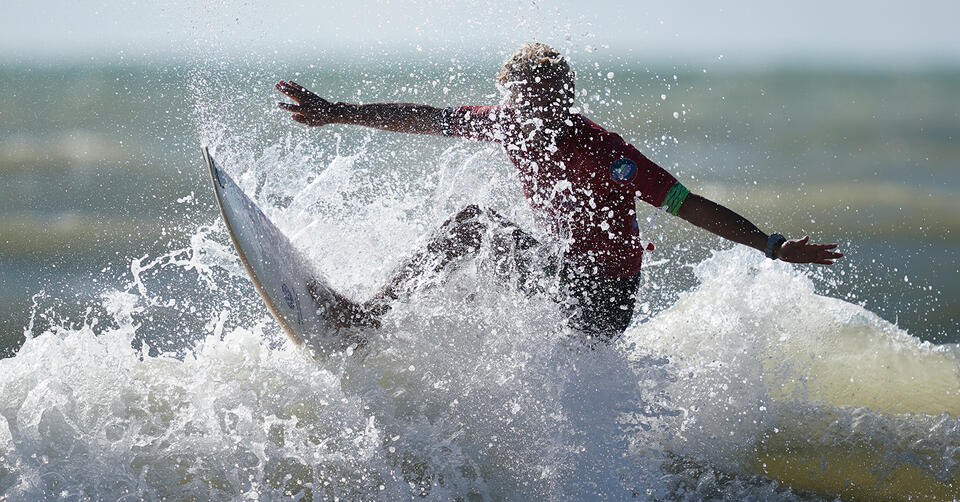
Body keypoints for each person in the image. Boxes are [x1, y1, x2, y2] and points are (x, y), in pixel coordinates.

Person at [275, 43, 842, 341]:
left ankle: (367, 319)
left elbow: (686, 204)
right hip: (568, 278)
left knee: (476, 227)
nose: (543, 112)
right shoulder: (505, 122)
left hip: (604, 300)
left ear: (567, 96)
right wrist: (338, 112)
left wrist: (771, 245)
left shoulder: (605, 151)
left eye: (553, 99)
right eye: (530, 100)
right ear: (510, 96)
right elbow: (427, 117)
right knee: (475, 282)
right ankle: (392, 338)